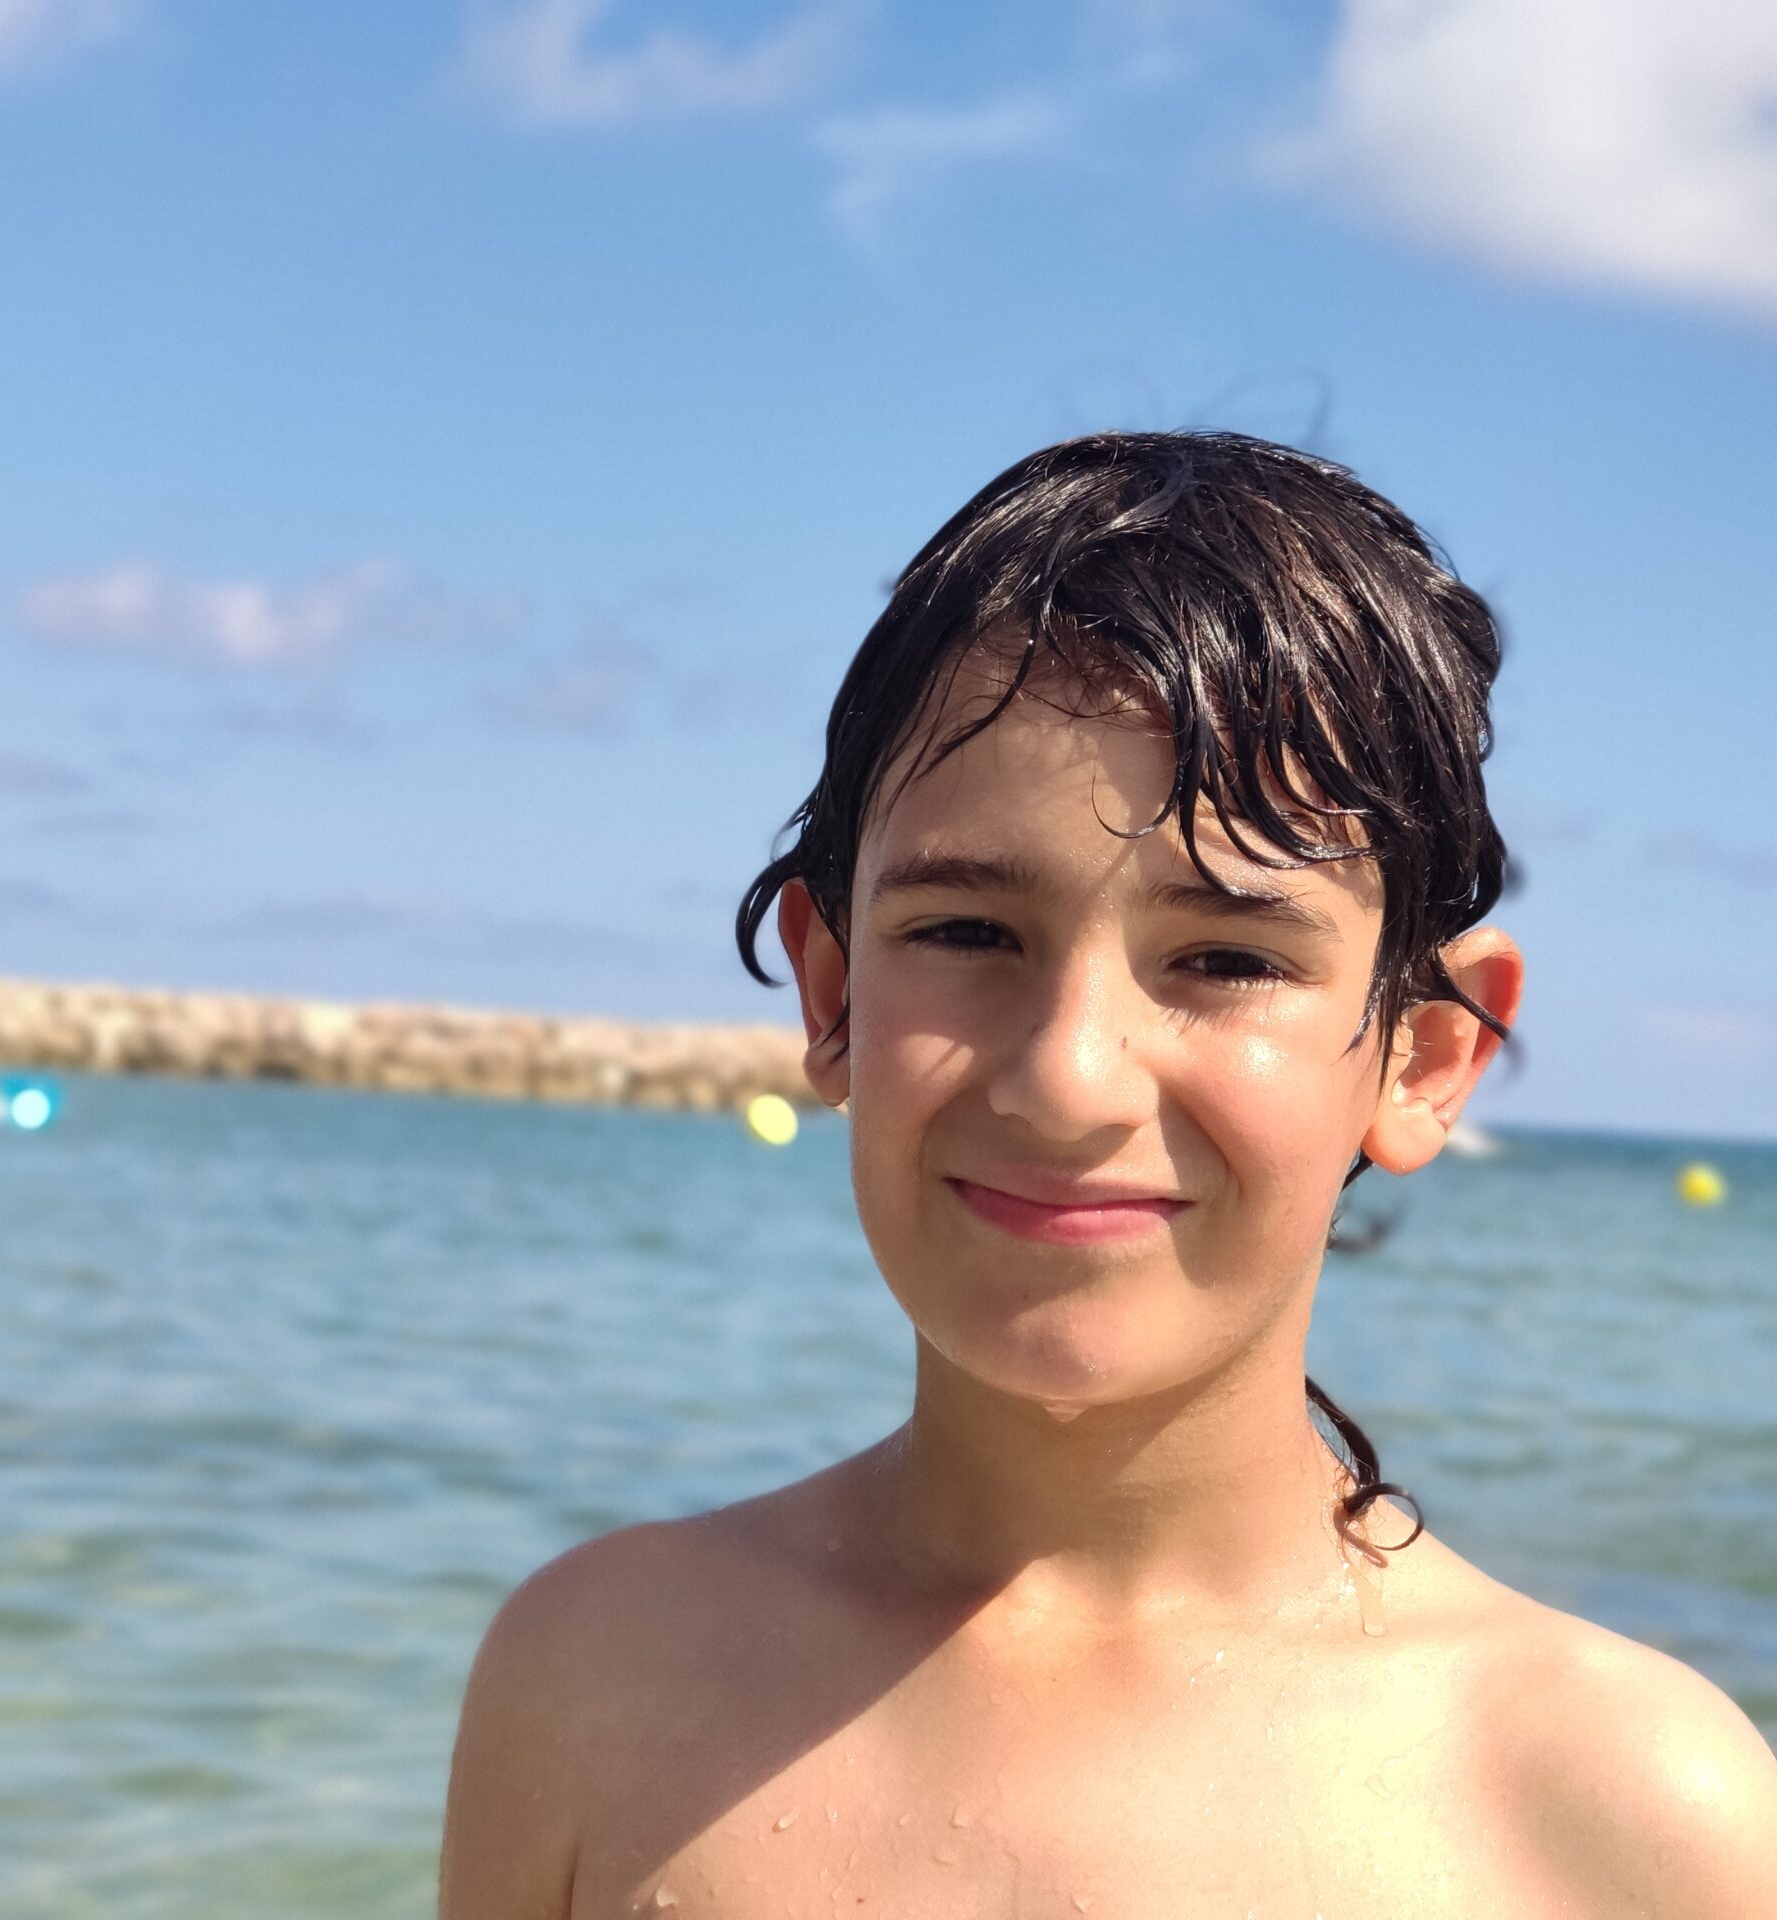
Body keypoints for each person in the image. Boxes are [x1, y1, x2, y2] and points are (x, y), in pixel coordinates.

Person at [438, 432, 1777, 1916]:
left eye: (1228, 959)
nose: (1067, 1079)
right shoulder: (596, 1683)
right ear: (832, 993)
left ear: (1424, 1056)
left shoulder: (1629, 1817)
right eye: (966, 933)